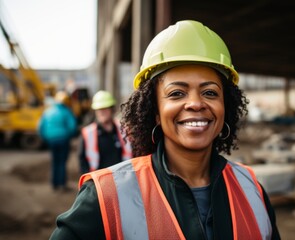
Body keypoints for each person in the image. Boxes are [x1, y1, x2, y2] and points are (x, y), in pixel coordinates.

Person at [50, 20, 281, 239]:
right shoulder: (105, 196)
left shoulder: (252, 190)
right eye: (176, 93)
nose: (195, 103)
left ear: (225, 106)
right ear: (156, 112)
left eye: (210, 92)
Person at [78, 90, 132, 174]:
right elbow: (82, 161)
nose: (101, 112)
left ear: (112, 109)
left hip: (121, 178)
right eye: (99, 109)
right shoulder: (88, 133)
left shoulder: (123, 130)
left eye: (105, 109)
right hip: (98, 181)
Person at [38, 91, 77, 191]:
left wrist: (46, 138)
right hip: (63, 140)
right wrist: (68, 136)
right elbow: (72, 126)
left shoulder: (48, 111)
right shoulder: (66, 111)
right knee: (62, 162)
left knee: (55, 161)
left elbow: (40, 126)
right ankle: (62, 184)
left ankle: (54, 184)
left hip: (51, 140)